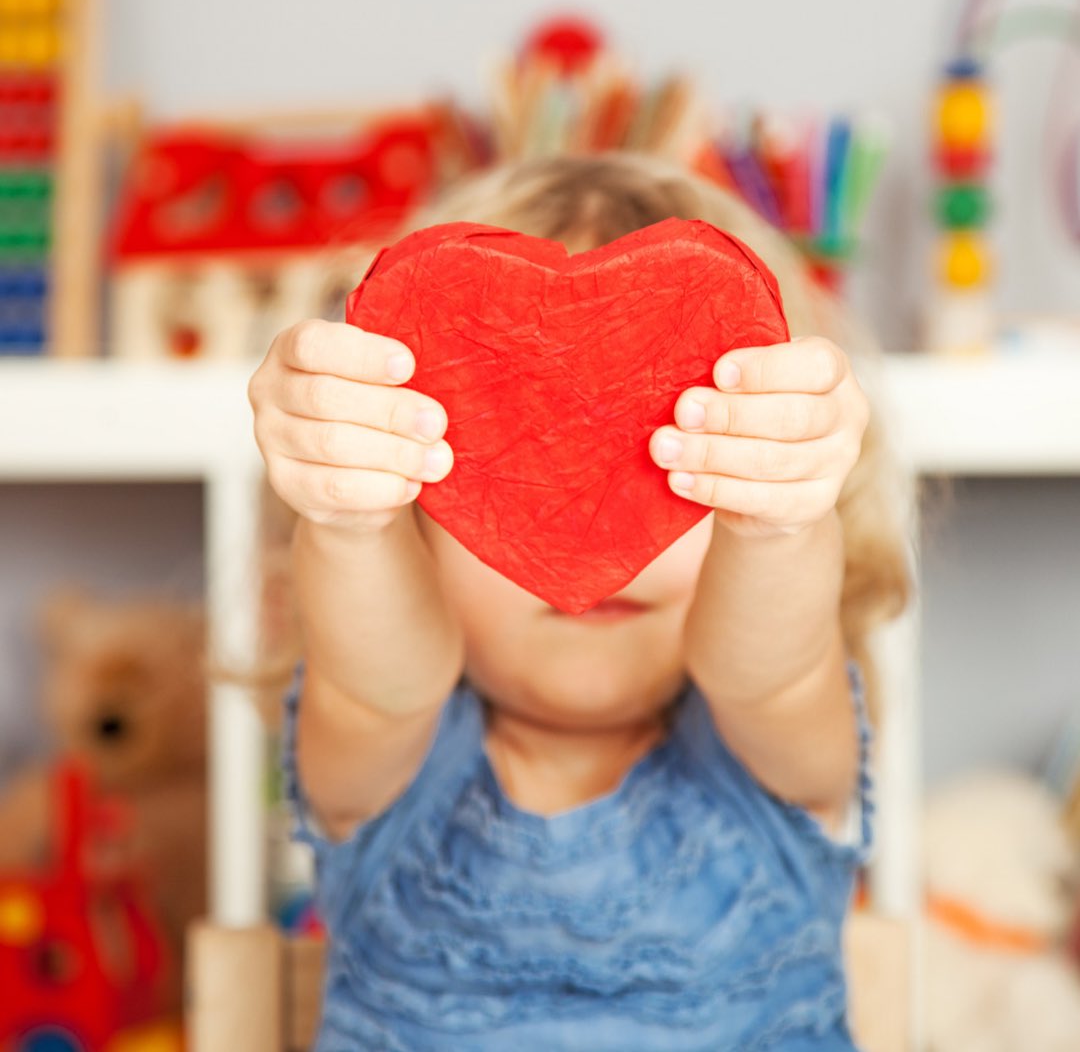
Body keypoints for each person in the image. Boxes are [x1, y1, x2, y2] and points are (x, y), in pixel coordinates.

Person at [247, 153, 911, 1050]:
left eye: (662, 465)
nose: (581, 522)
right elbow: (378, 684)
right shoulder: (387, 765)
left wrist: (777, 524)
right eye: (521, 470)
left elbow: (772, 671)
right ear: (419, 527)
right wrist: (351, 519)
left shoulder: (779, 754)